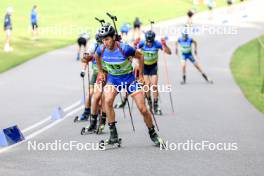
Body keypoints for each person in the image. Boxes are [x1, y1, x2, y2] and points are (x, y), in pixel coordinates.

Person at [94, 23, 164, 146]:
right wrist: (101, 72)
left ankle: (153, 133)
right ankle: (113, 135)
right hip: (113, 80)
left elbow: (141, 56)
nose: (105, 42)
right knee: (108, 100)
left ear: (113, 37)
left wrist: (141, 75)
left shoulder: (125, 48)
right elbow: (96, 56)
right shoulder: (101, 49)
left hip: (129, 80)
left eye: (107, 39)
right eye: (103, 39)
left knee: (143, 109)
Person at [136, 30, 171, 115]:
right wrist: (135, 44)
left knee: (154, 86)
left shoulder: (157, 44)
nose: (149, 43)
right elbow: (133, 52)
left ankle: (155, 105)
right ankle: (149, 102)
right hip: (144, 66)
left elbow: (169, 52)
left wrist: (165, 44)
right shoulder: (142, 43)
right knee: (147, 86)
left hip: (153, 66)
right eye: (148, 42)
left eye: (151, 42)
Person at [80, 33, 108, 134]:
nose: (101, 44)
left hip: (107, 75)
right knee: (93, 96)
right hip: (97, 74)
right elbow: (86, 59)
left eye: (103, 42)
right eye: (99, 42)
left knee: (103, 100)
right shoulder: (94, 47)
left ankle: (102, 120)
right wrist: (83, 68)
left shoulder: (108, 48)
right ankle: (89, 116)